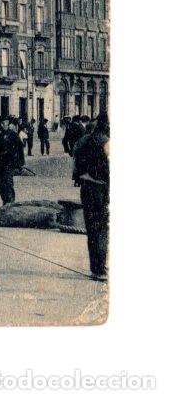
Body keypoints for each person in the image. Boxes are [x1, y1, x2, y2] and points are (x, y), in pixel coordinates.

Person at [73, 112, 110, 280]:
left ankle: (95, 267)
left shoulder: (82, 141)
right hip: (101, 189)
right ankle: (101, 268)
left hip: (86, 188)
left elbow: (75, 167)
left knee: (91, 228)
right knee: (102, 228)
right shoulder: (106, 142)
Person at [0, 116, 24, 205]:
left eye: (8, 124)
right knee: (0, 185)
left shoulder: (12, 134)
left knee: (7, 184)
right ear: (1, 124)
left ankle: (9, 204)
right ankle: (6, 202)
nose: (7, 125)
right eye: (6, 123)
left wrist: (20, 163)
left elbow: (20, 149)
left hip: (8, 163)